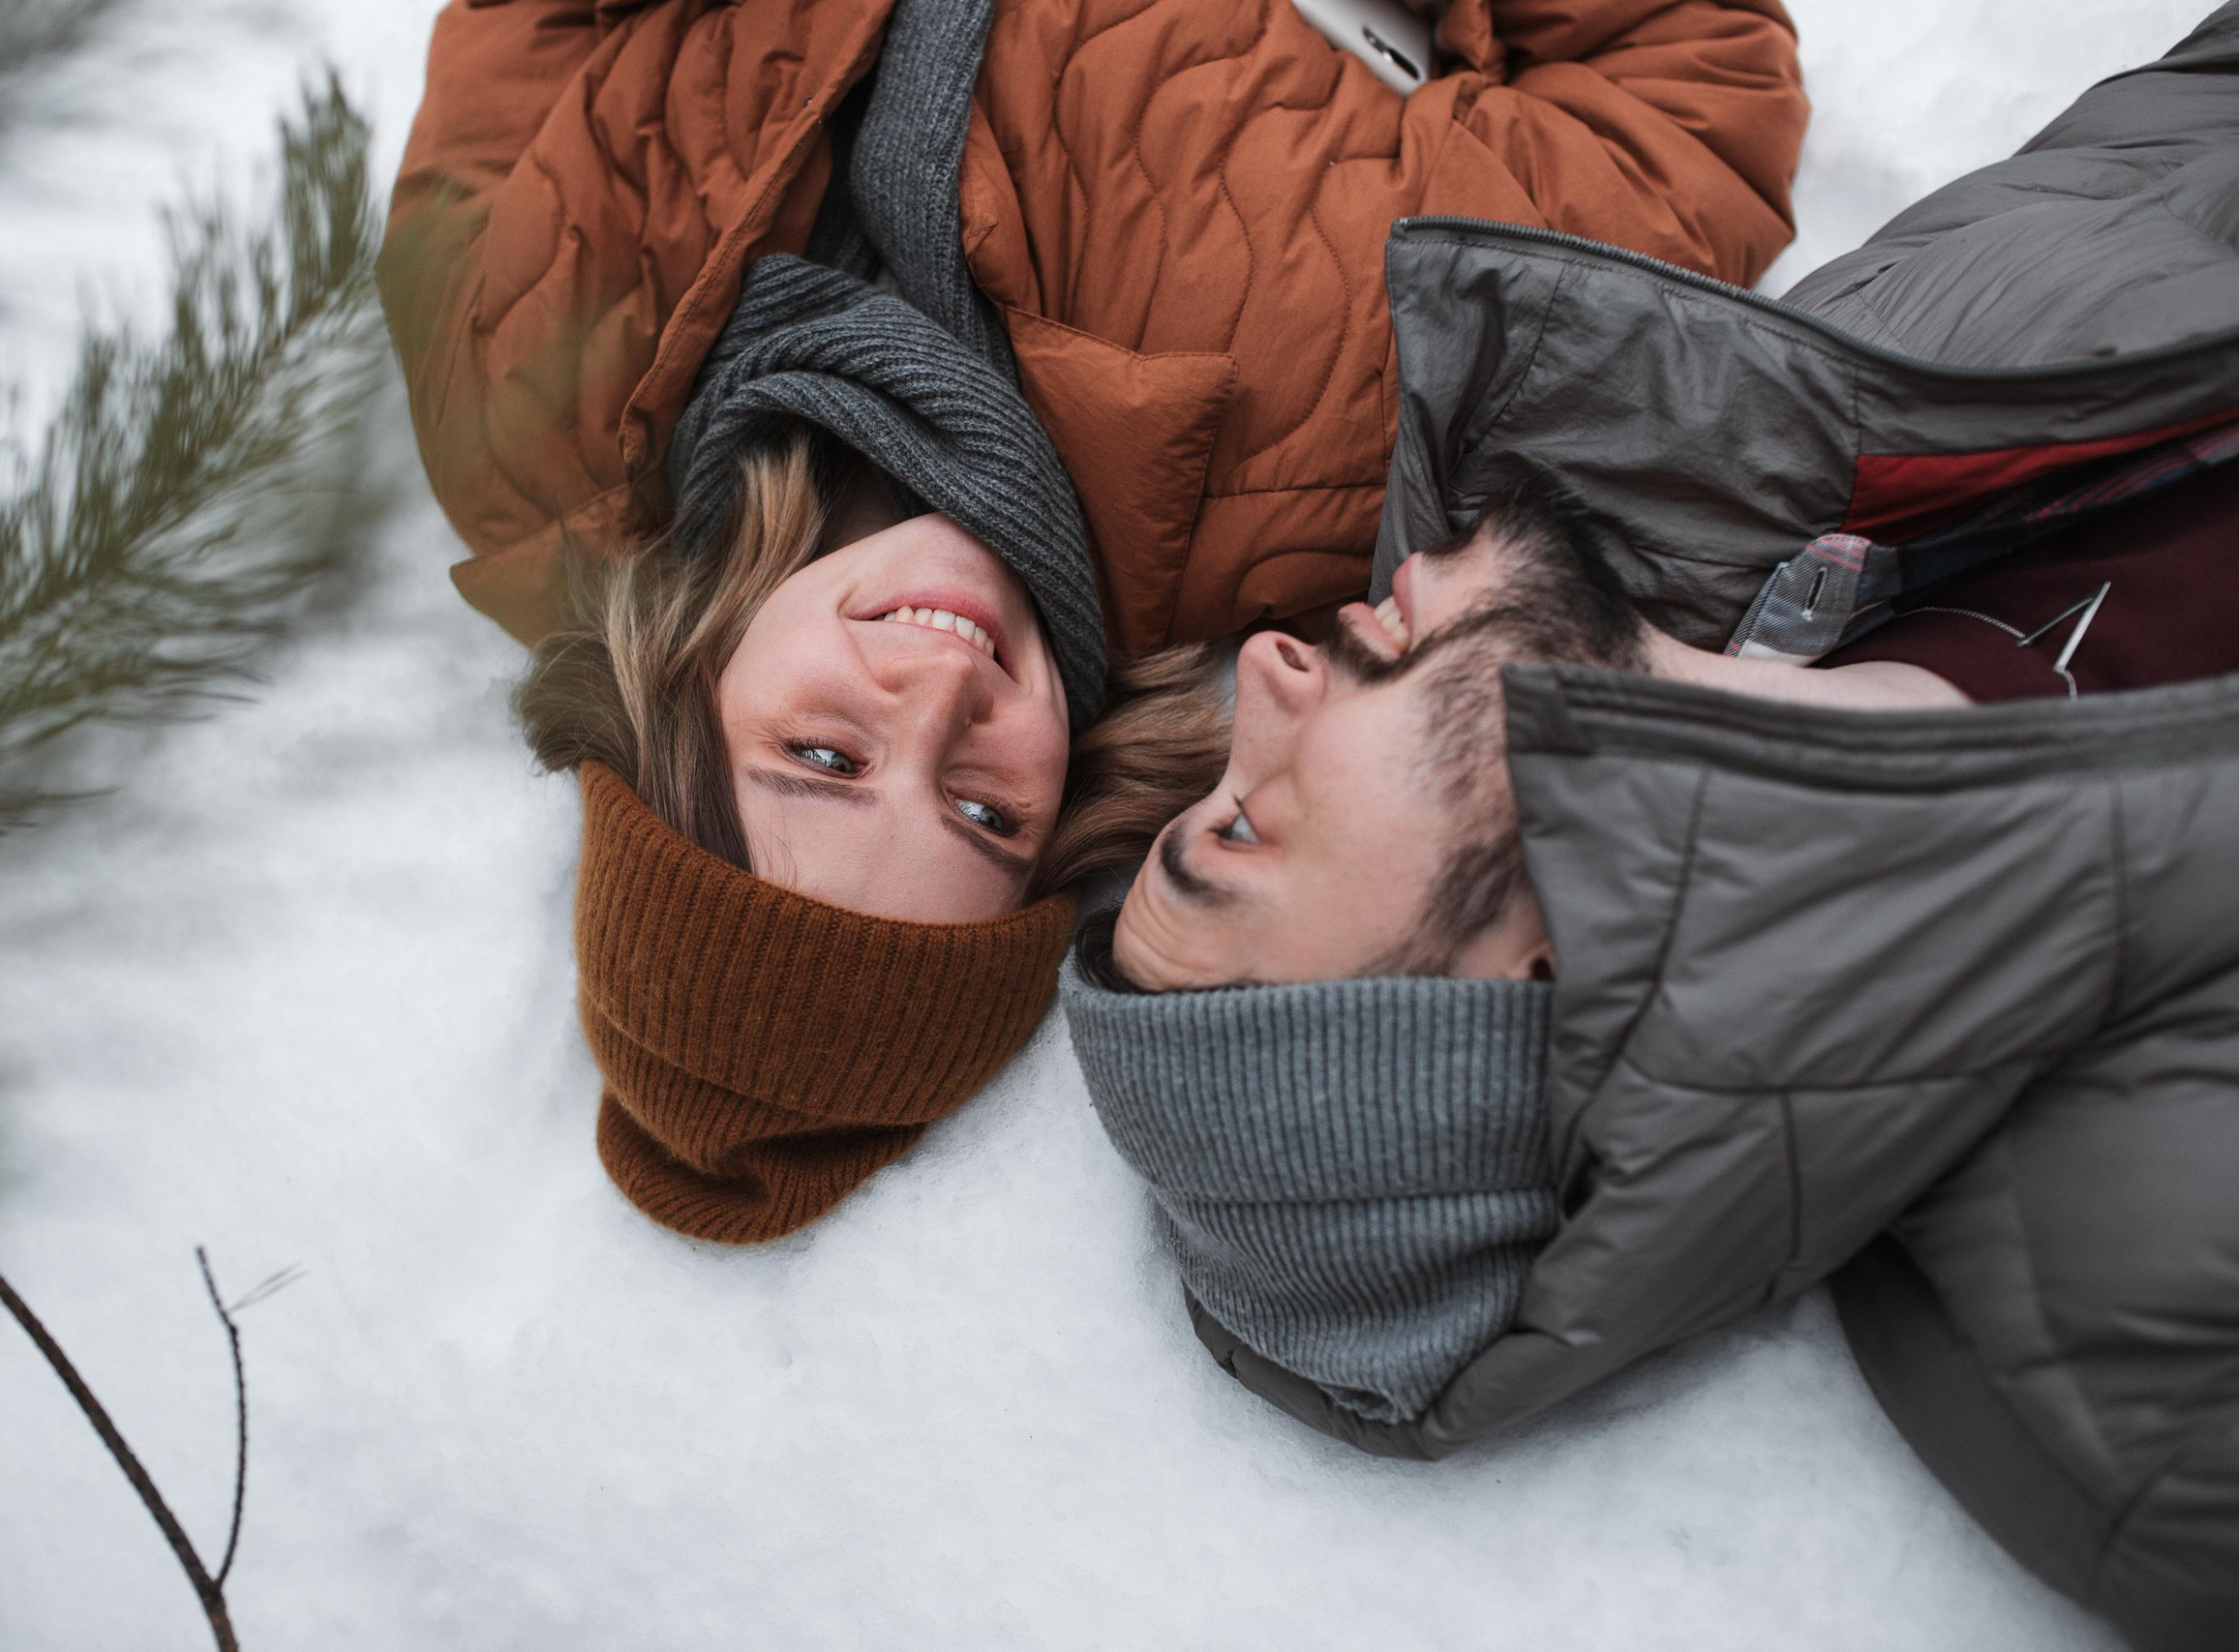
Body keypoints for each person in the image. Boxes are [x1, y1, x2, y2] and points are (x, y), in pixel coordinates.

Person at [1061, 13, 2239, 1650]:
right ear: (1504, 991)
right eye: (1248, 826)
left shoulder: (1779, 424)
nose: (1264, 670)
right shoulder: (2143, 1322)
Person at [377, 0, 1810, 1243]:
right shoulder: (1340, 464)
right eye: (986, 814)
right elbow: (1686, 110)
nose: (943, 696)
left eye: (823, 756)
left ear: (677, 705)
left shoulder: (512, 409)